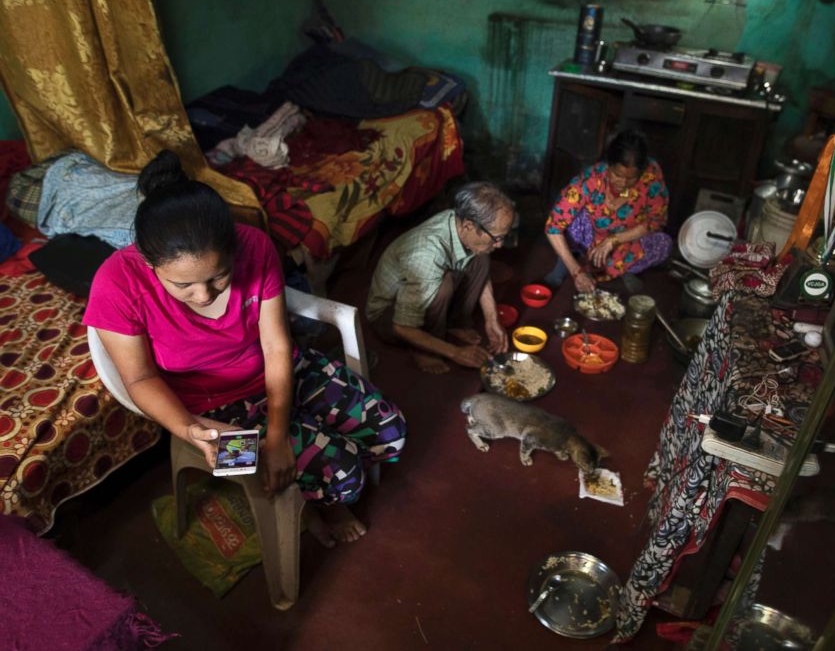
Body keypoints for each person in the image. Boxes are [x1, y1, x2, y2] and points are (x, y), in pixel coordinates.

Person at [84, 150, 406, 548]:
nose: (202, 295)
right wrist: (193, 430)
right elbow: (138, 377)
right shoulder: (116, 283)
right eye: (182, 285)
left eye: (219, 277)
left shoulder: (255, 245)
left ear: (233, 250)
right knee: (341, 473)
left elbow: (275, 346)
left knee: (391, 432)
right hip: (207, 414)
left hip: (281, 371)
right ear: (150, 264)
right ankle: (323, 507)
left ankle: (316, 478)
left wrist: (276, 435)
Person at [365, 182, 514, 374]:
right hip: (389, 316)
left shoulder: (462, 223)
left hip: (423, 289)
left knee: (482, 254)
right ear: (468, 225)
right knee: (443, 286)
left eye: (503, 237)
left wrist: (492, 319)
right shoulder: (427, 253)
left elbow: (483, 258)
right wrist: (456, 352)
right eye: (497, 237)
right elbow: (401, 326)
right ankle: (422, 346)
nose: (500, 245)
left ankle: (453, 323)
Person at [543, 129, 672, 294]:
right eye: (618, 175)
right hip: (592, 236)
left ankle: (624, 270)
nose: (624, 183)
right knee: (571, 217)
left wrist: (613, 240)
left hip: (629, 238)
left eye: (632, 178)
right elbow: (553, 226)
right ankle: (563, 267)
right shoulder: (591, 179)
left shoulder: (651, 174)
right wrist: (576, 272)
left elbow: (656, 221)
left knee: (664, 244)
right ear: (608, 164)